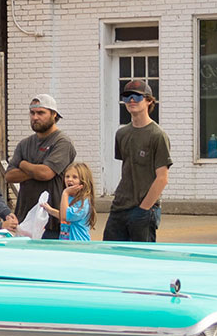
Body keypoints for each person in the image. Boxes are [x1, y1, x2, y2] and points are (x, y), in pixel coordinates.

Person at [103, 79, 170, 243]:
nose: (131, 100)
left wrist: (144, 209)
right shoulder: (122, 134)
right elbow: (127, 169)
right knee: (110, 257)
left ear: (149, 101)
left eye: (137, 96)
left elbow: (162, 178)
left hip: (144, 209)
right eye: (126, 97)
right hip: (119, 207)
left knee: (142, 261)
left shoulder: (157, 135)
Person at [6, 94, 76, 240]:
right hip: (25, 220)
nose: (35, 117)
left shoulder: (62, 142)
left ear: (54, 114)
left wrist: (23, 164)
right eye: (32, 113)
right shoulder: (24, 144)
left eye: (41, 113)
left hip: (52, 222)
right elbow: (9, 176)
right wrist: (38, 170)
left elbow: (46, 173)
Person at [55, 161, 96, 242]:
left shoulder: (83, 202)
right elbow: (62, 214)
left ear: (83, 181)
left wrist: (65, 193)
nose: (69, 179)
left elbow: (66, 216)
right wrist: (48, 209)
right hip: (66, 242)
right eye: (67, 176)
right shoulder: (69, 197)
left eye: (74, 177)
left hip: (79, 243)